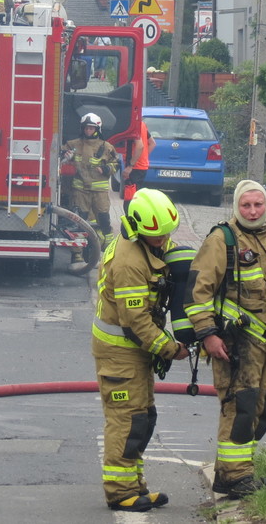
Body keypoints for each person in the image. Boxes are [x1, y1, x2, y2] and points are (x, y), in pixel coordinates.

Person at [183, 180, 266, 499]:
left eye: (258, 205)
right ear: (236, 207)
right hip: (235, 343)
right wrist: (209, 335)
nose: (253, 211)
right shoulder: (221, 239)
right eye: (246, 205)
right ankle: (234, 476)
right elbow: (197, 293)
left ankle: (240, 470)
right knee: (241, 406)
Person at [93, 188, 189, 512]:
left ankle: (135, 485)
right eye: (157, 236)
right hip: (119, 353)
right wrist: (170, 348)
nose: (164, 240)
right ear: (137, 229)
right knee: (126, 420)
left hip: (134, 353)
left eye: (166, 235)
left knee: (143, 418)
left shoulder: (149, 242)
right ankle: (120, 493)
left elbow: (169, 257)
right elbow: (135, 321)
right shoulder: (129, 262)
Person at [62, 112, 120, 247]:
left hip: (99, 192)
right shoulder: (73, 145)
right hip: (80, 191)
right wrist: (66, 156)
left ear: (97, 129)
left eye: (91, 128)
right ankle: (77, 254)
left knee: (103, 218)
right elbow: (60, 157)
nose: (88, 131)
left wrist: (106, 169)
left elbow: (116, 164)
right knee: (79, 221)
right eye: (86, 128)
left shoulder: (106, 147)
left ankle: (108, 245)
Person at [122, 120, 155, 208]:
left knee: (130, 200)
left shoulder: (133, 126)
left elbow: (140, 146)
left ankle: (130, 220)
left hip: (134, 168)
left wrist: (130, 166)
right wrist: (142, 157)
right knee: (137, 198)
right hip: (141, 167)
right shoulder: (142, 124)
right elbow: (152, 143)